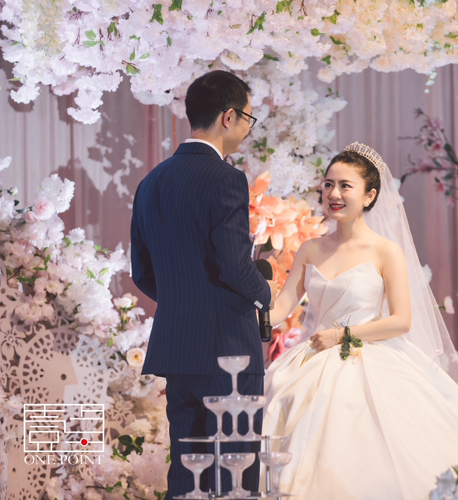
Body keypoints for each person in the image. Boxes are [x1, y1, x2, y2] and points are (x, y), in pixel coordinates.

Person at [262, 143, 458, 499]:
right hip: (311, 358)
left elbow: (401, 321)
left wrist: (341, 335)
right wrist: (240, 310)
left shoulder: (385, 250)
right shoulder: (311, 249)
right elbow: (281, 307)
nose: (334, 194)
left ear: (369, 195)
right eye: (329, 184)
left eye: (345, 186)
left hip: (368, 355)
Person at [130, 70, 274, 499]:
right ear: (229, 117)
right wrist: (265, 295)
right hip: (227, 348)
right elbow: (234, 265)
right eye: (248, 118)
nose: (247, 128)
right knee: (234, 471)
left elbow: (143, 272)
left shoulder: (151, 182)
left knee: (187, 472)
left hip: (176, 347)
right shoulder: (226, 178)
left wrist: (185, 299)